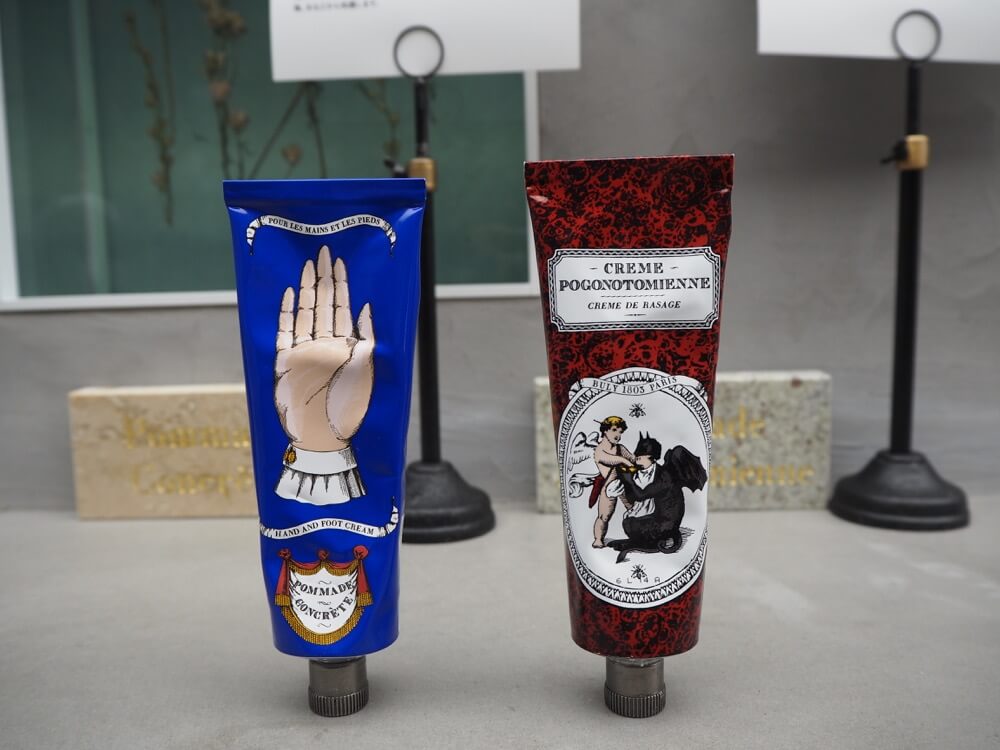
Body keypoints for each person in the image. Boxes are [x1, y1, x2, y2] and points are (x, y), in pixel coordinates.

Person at [589, 416, 635, 548]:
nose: (618, 435)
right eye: (614, 430)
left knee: (634, 509)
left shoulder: (620, 448)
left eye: (620, 432)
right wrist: (624, 460)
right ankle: (598, 539)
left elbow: (632, 458)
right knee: (604, 516)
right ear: (605, 430)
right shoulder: (599, 450)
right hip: (608, 486)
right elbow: (608, 459)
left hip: (624, 483)